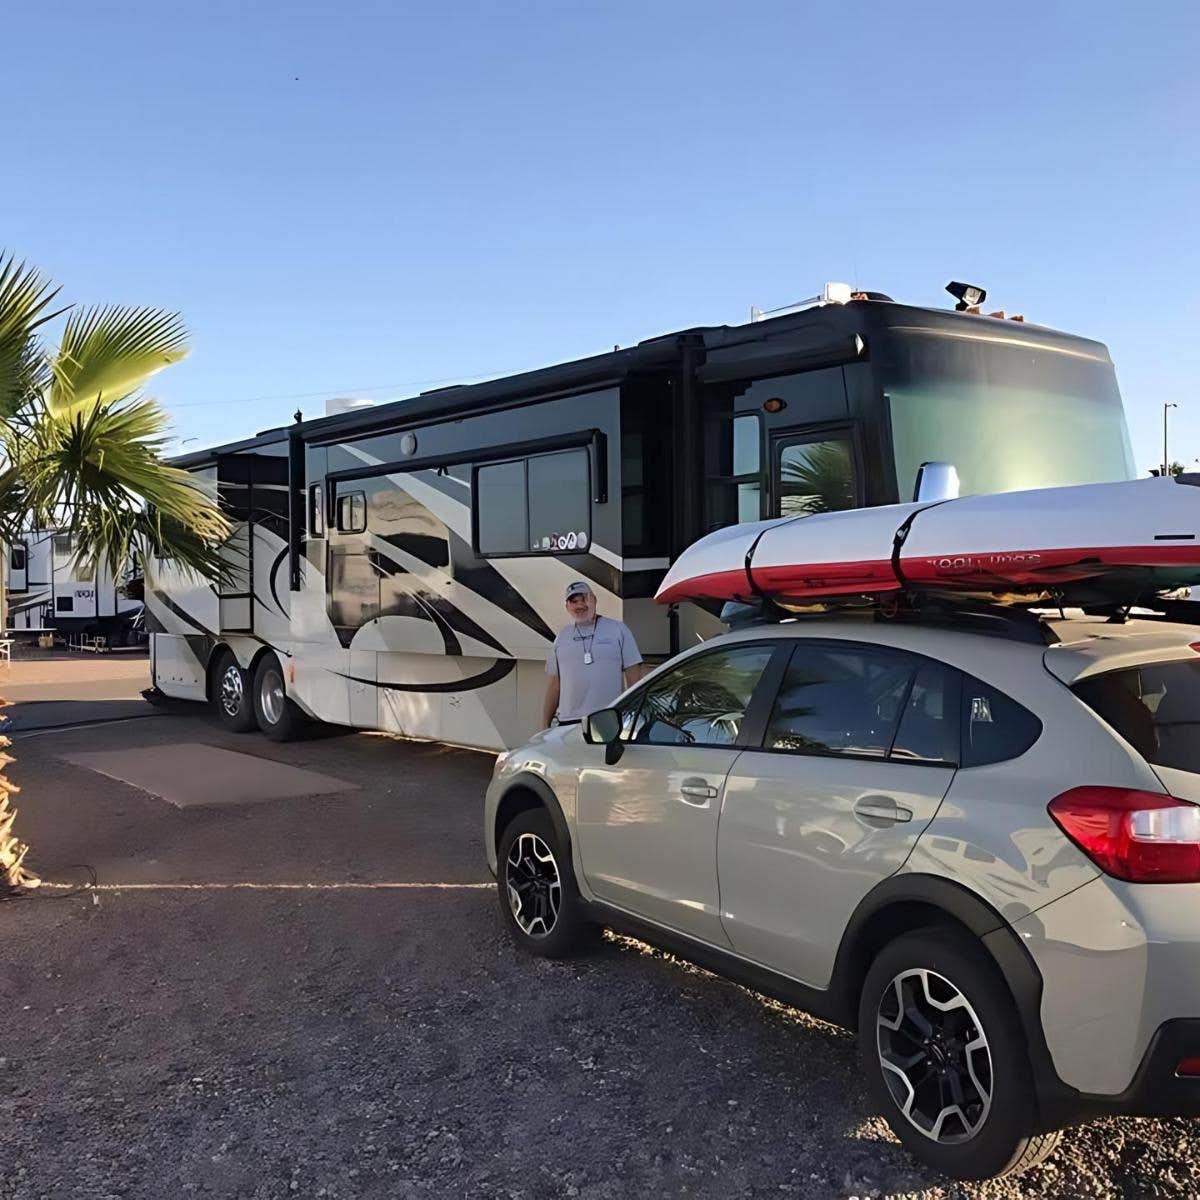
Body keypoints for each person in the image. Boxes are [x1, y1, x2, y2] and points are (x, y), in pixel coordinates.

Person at [542, 581, 646, 728]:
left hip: (609, 719)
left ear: (595, 599)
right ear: (567, 607)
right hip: (567, 723)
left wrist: (634, 718)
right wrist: (544, 725)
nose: (580, 605)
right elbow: (554, 686)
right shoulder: (561, 637)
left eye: (584, 599)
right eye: (574, 601)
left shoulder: (618, 629)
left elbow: (634, 676)